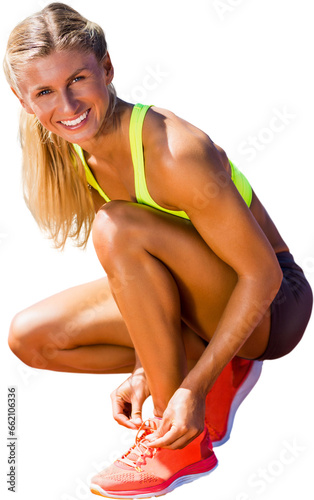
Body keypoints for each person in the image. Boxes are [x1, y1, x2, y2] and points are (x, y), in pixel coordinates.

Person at [3, 2, 312, 498]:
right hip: (207, 294)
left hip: (272, 307)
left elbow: (263, 276)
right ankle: (200, 360)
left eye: (78, 80)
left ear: (106, 69)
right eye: (44, 92)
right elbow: (146, 274)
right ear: (23, 101)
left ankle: (181, 443)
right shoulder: (71, 149)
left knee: (116, 227)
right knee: (30, 337)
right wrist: (147, 362)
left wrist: (188, 388)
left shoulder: (174, 150)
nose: (67, 105)